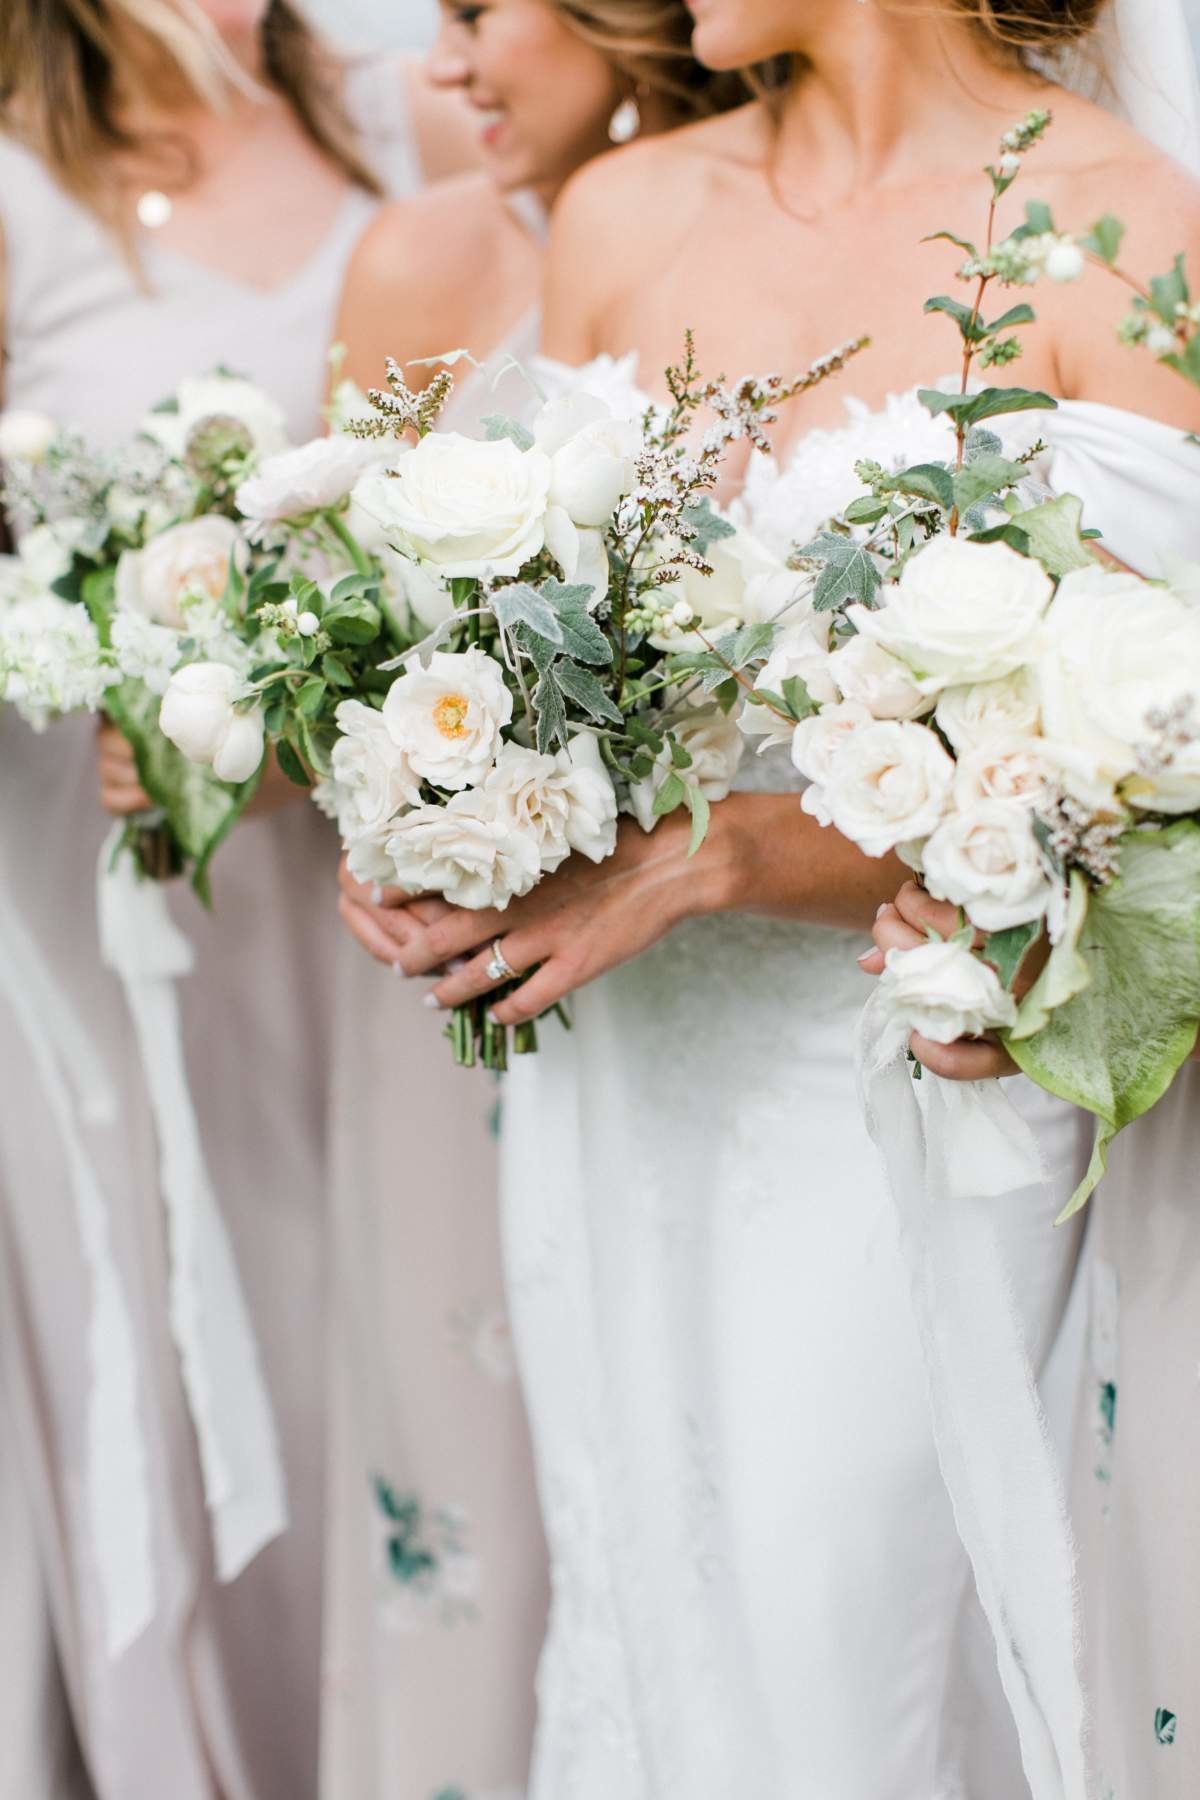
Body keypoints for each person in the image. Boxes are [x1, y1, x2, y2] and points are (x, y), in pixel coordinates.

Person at [339, 0, 1200, 1794]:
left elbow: (1126, 789)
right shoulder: (620, 214)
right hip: (620, 1070)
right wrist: (449, 825)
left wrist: (709, 857)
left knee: (838, 1637)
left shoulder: (1124, 226)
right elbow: (528, 673)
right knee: (646, 1603)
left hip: (899, 1077)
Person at [0, 4, 473, 1795]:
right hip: (96, 873)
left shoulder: (399, 114)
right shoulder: (22, 184)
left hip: (348, 856)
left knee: (362, 1295)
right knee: (163, 1277)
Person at [322, 8, 743, 1796]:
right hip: (461, 965)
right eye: (431, 26)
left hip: (721, 967)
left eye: (490, 13)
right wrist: (386, 812)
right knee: (472, 1450)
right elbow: (328, 652)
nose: (455, 69)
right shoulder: (430, 256)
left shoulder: (744, 239)